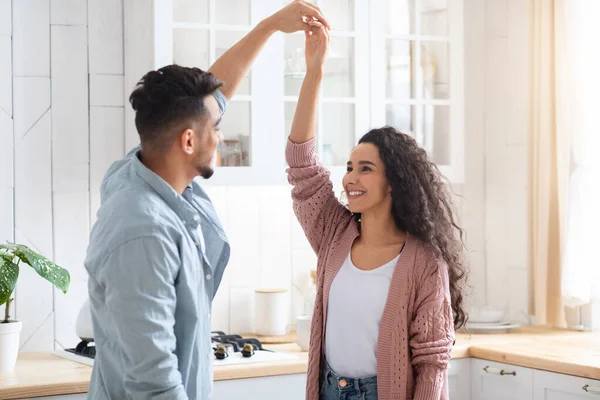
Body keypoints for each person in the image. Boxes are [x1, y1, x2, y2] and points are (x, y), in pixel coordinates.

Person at [84, 2, 330, 399]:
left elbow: (213, 97)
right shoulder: (144, 233)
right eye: (215, 129)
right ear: (188, 141)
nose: (220, 137)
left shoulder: (146, 172)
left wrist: (267, 28)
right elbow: (155, 385)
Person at [286, 20, 467, 400]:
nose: (351, 178)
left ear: (393, 183)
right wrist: (315, 72)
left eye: (365, 169)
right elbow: (301, 163)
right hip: (329, 390)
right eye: (350, 167)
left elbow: (432, 364)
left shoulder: (424, 263)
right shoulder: (333, 234)